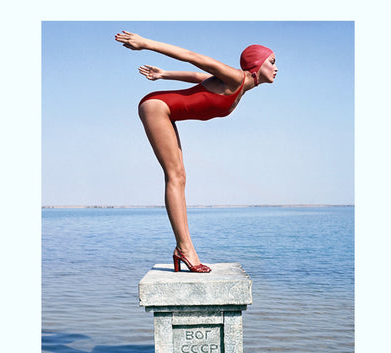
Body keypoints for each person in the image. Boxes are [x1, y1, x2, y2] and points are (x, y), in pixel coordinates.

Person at [115, 30, 277, 273]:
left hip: (165, 111)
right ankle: (185, 249)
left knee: (180, 176)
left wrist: (164, 74)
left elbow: (196, 76)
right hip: (157, 108)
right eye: (272, 62)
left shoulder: (239, 87)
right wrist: (146, 43)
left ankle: (184, 249)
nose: (276, 68)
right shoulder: (236, 78)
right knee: (175, 176)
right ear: (257, 63)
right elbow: (192, 57)